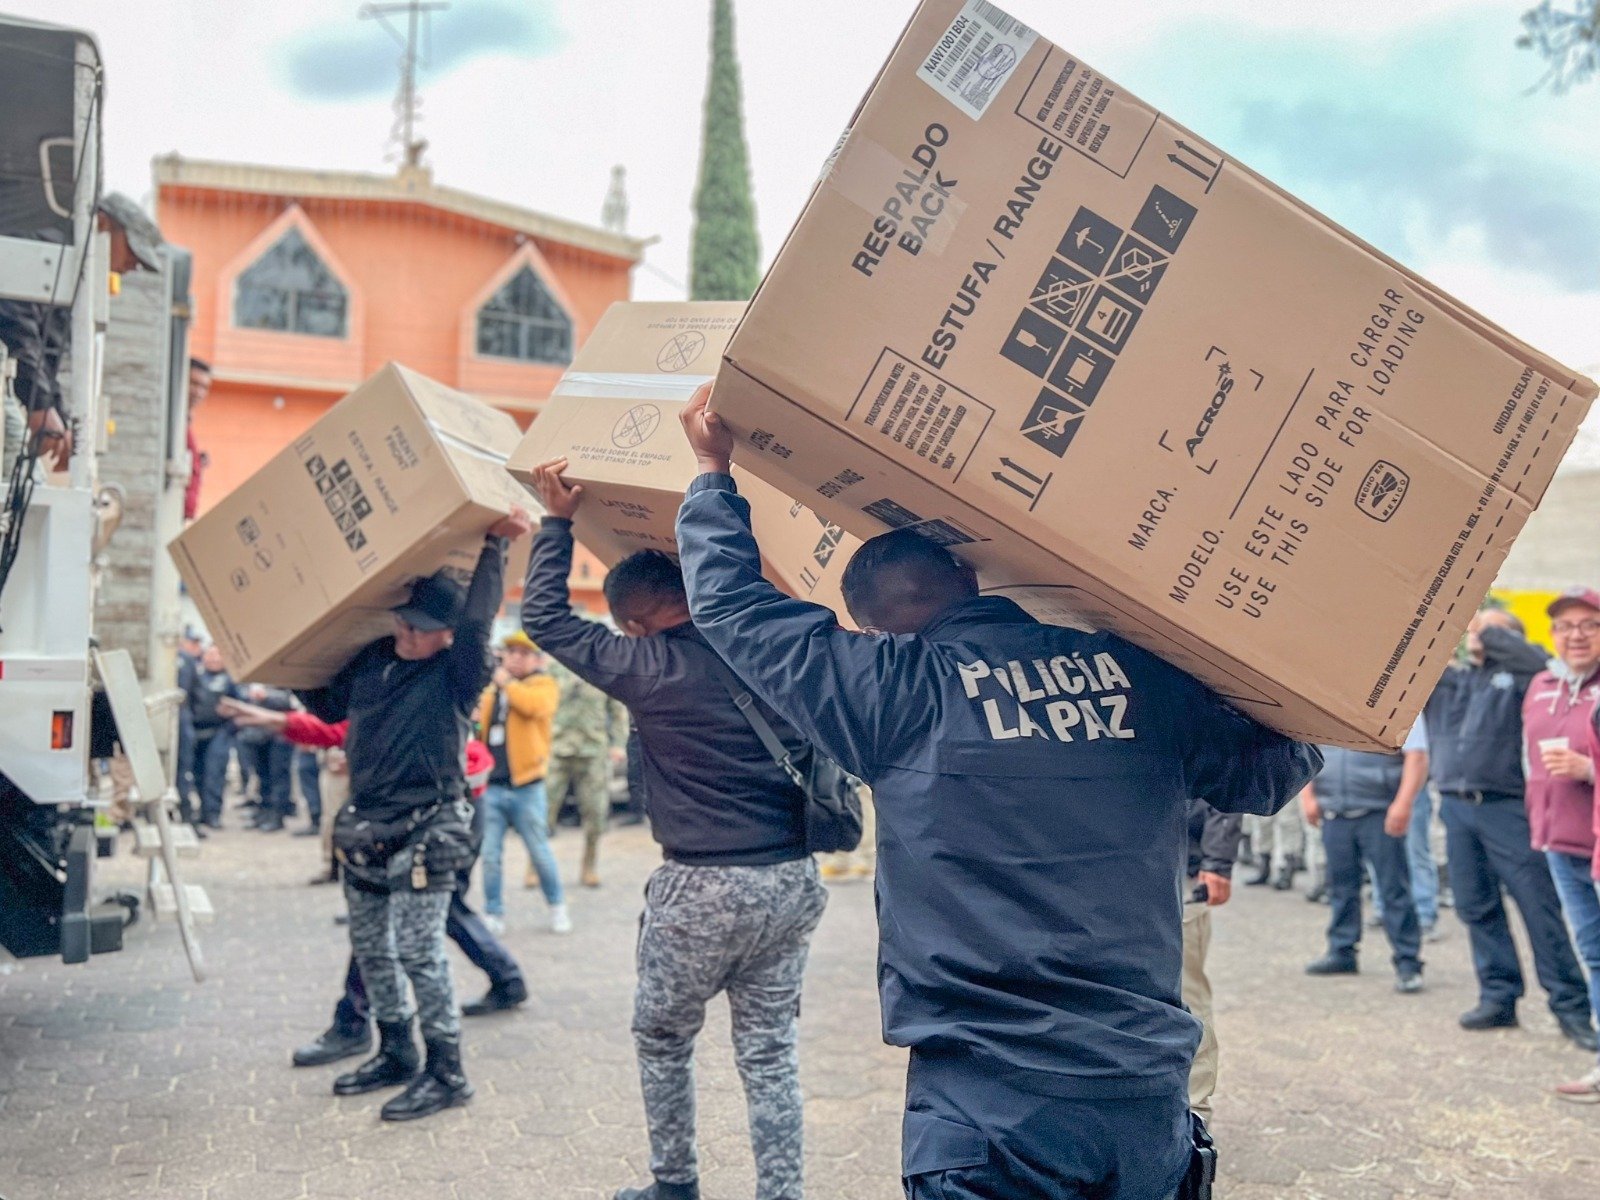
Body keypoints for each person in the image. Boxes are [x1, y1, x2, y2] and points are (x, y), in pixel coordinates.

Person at [671, 389, 1320, 1199]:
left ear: (871, 628)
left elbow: (732, 607)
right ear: (971, 579)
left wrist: (712, 471)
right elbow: (1268, 774)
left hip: (988, 1106)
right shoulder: (1136, 672)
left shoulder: (893, 690)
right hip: (1143, 1093)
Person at [523, 462, 827, 1200]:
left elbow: (546, 619)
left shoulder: (646, 665)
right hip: (792, 880)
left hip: (702, 887)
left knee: (663, 1039)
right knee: (769, 1053)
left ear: (632, 622)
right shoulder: (767, 648)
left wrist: (557, 521)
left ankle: (675, 1185)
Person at [296, 507, 532, 1121]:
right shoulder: (374, 661)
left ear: (446, 636)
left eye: (421, 626)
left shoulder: (458, 675)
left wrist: (495, 549)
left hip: (430, 826)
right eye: (404, 620)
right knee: (372, 948)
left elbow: (480, 622)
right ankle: (396, 1051)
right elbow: (318, 697)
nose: (406, 630)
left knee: (419, 950)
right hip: (366, 825)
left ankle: (447, 1072)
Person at [1424, 608, 1595, 1049]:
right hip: (1457, 809)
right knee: (1475, 905)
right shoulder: (1452, 679)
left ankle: (1570, 1007)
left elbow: (1535, 657)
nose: (1476, 635)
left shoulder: (1526, 679)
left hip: (1507, 809)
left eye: (1489, 631)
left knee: (1538, 908)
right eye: (1474, 629)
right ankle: (1499, 996)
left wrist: (1483, 623)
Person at [1522, 587, 1600, 1099]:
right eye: (1566, 626)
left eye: (1589, 625)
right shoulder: (1541, 684)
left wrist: (1589, 769)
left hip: (1596, 840)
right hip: (1558, 843)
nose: (1576, 635)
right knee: (1592, 954)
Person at [1301, 720, 1429, 992]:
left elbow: (1417, 756)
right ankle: (1341, 951)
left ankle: (1408, 962)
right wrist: (1307, 795)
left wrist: (1403, 804)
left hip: (1380, 811)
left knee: (1394, 889)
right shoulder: (1327, 703)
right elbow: (1306, 744)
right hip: (1335, 810)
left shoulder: (1396, 705)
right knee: (1340, 887)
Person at [477, 631, 568, 934]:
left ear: (536, 658)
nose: (515, 657)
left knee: (539, 852)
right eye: (510, 652)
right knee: (490, 855)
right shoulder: (493, 690)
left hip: (527, 786)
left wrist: (507, 684)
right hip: (492, 785)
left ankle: (557, 906)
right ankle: (493, 911)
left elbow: (533, 707)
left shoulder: (543, 685)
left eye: (523, 653)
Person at [544, 654, 630, 888]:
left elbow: (618, 711)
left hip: (593, 751)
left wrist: (618, 744)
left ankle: (589, 866)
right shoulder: (554, 669)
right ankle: (537, 865)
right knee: (544, 812)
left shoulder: (602, 672)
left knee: (595, 812)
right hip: (557, 748)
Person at [1184, 799, 1243, 1123]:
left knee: (1186, 995)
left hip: (1178, 868)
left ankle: (1194, 1118)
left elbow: (1226, 773)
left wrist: (1218, 860)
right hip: (1106, 866)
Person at [185, 646, 240, 830]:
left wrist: (230, 723)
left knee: (214, 774)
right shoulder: (196, 675)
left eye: (218, 655)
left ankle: (213, 813)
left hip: (219, 733)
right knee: (197, 775)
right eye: (210, 655)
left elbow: (241, 706)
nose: (214, 659)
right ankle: (202, 811)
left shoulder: (230, 680)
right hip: (196, 732)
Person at [184, 357, 212, 521]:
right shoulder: (174, 421)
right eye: (193, 383)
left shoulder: (186, 422)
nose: (198, 392)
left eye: (204, 387)